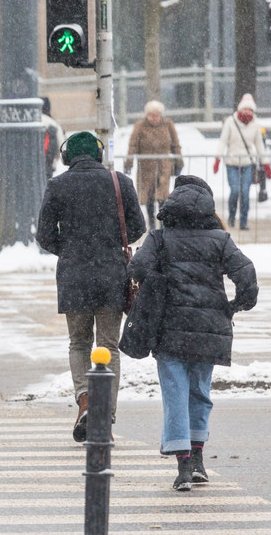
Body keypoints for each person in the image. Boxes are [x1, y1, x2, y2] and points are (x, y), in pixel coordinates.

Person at [129, 179, 257, 491]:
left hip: (170, 329)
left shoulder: (159, 239)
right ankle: (199, 460)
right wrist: (235, 305)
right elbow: (247, 273)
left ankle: (183, 466)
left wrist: (160, 280)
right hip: (209, 330)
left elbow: (137, 269)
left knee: (175, 395)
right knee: (200, 393)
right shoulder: (220, 240)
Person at [37, 131, 145, 442]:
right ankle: (104, 414)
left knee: (79, 344)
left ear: (67, 157)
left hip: (74, 277)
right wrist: (109, 245)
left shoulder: (58, 185)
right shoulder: (119, 182)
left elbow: (44, 235)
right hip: (112, 275)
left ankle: (85, 400)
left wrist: (70, 249)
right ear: (98, 155)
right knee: (108, 346)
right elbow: (138, 227)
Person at [215, 94, 270, 230]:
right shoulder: (230, 122)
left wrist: (266, 163)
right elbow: (223, 141)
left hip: (247, 163)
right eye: (245, 109)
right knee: (234, 191)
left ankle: (244, 221)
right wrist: (217, 158)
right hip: (232, 163)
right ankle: (232, 216)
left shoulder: (255, 125)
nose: (247, 112)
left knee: (245, 192)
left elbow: (259, 146)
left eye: (250, 110)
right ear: (240, 109)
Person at [125, 101, 182, 230]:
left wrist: (179, 161)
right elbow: (133, 144)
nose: (154, 118)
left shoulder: (168, 125)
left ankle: (162, 223)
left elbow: (175, 144)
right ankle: (151, 224)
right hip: (146, 167)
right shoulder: (140, 126)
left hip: (164, 166)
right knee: (149, 196)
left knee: (162, 196)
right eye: (151, 115)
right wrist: (129, 162)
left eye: (156, 115)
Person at [41, 97, 65, 180]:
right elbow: (62, 147)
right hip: (47, 165)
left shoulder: (29, 123)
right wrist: (54, 161)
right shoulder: (53, 124)